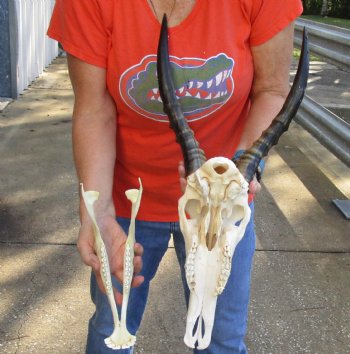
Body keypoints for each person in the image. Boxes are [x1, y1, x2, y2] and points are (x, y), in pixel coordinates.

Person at [48, 1, 303, 353]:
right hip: (128, 199)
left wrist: (239, 172)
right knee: (112, 329)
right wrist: (98, 212)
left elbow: (272, 90)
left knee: (219, 340)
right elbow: (94, 106)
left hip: (221, 207)